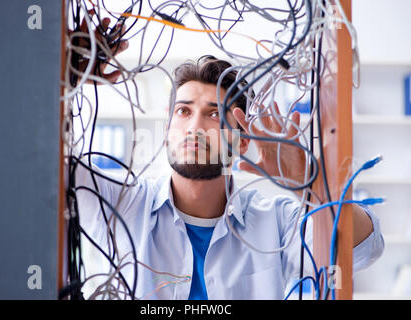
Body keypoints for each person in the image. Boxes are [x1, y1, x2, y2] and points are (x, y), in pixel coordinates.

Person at [72, 16, 384, 300]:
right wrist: (66, 74)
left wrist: (311, 184)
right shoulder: (119, 203)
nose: (195, 127)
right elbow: (39, 170)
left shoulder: (275, 222)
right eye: (184, 111)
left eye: (214, 114)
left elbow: (363, 247)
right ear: (168, 127)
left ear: (243, 138)